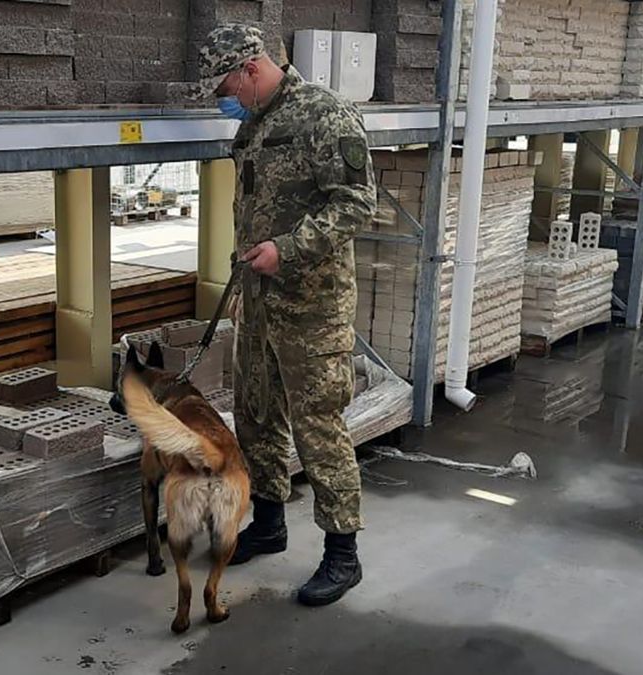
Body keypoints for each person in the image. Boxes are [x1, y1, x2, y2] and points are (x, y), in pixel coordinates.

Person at [194, 23, 377, 607]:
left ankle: (342, 555)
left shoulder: (326, 115)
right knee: (256, 413)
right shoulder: (253, 125)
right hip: (259, 299)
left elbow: (356, 203)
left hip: (312, 305)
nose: (226, 99)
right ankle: (269, 523)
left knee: (318, 425)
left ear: (251, 69)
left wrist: (289, 249)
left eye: (227, 86)